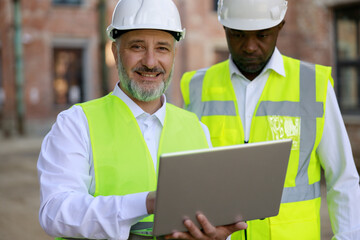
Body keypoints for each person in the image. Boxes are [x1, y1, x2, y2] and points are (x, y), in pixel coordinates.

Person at [37, 0, 247, 239]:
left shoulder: (197, 128)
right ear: (115, 52)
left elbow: (210, 214)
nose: (150, 61)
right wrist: (146, 203)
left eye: (162, 49)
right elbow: (56, 213)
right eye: (137, 47)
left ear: (174, 55)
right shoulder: (76, 124)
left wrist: (216, 235)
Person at [180, 0, 360, 239]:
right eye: (238, 35)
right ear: (224, 28)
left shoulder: (313, 86)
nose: (249, 46)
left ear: (280, 26)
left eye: (262, 35)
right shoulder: (196, 87)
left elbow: (342, 178)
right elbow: (189, 177)